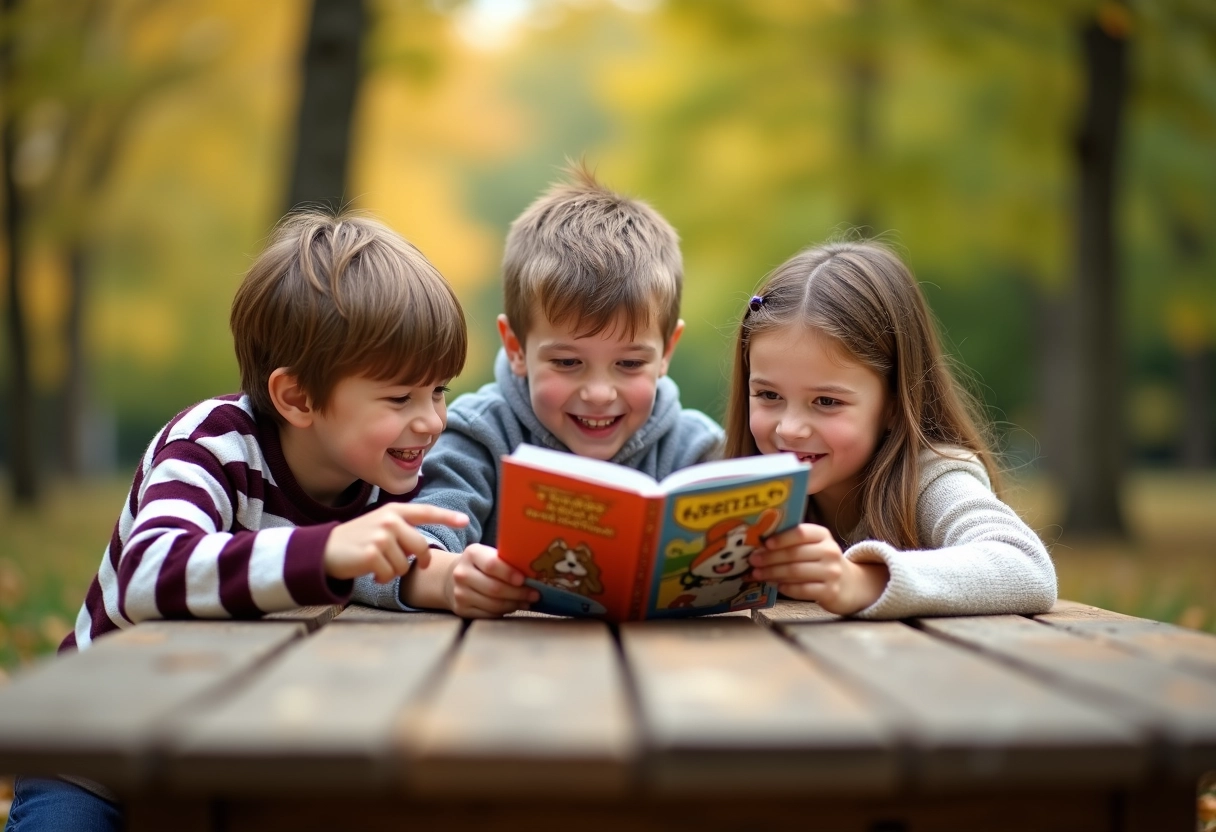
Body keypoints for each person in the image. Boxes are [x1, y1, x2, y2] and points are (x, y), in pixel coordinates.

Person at [6, 210, 470, 832]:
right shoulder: (214, 446)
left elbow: (402, 563)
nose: (433, 420)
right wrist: (325, 551)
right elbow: (148, 573)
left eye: (439, 391)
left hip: (237, 757)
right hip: (97, 755)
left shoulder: (380, 469)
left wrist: (454, 578)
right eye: (400, 398)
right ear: (297, 398)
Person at [353, 163, 723, 617]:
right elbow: (412, 542)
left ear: (667, 351)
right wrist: (452, 579)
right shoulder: (480, 436)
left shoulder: (697, 449)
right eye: (568, 363)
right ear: (516, 348)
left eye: (629, 364)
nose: (599, 393)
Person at [726, 240, 1056, 618]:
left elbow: (1026, 567)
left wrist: (861, 582)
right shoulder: (738, 481)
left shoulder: (930, 478)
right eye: (768, 395)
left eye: (827, 401)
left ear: (895, 404)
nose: (791, 428)